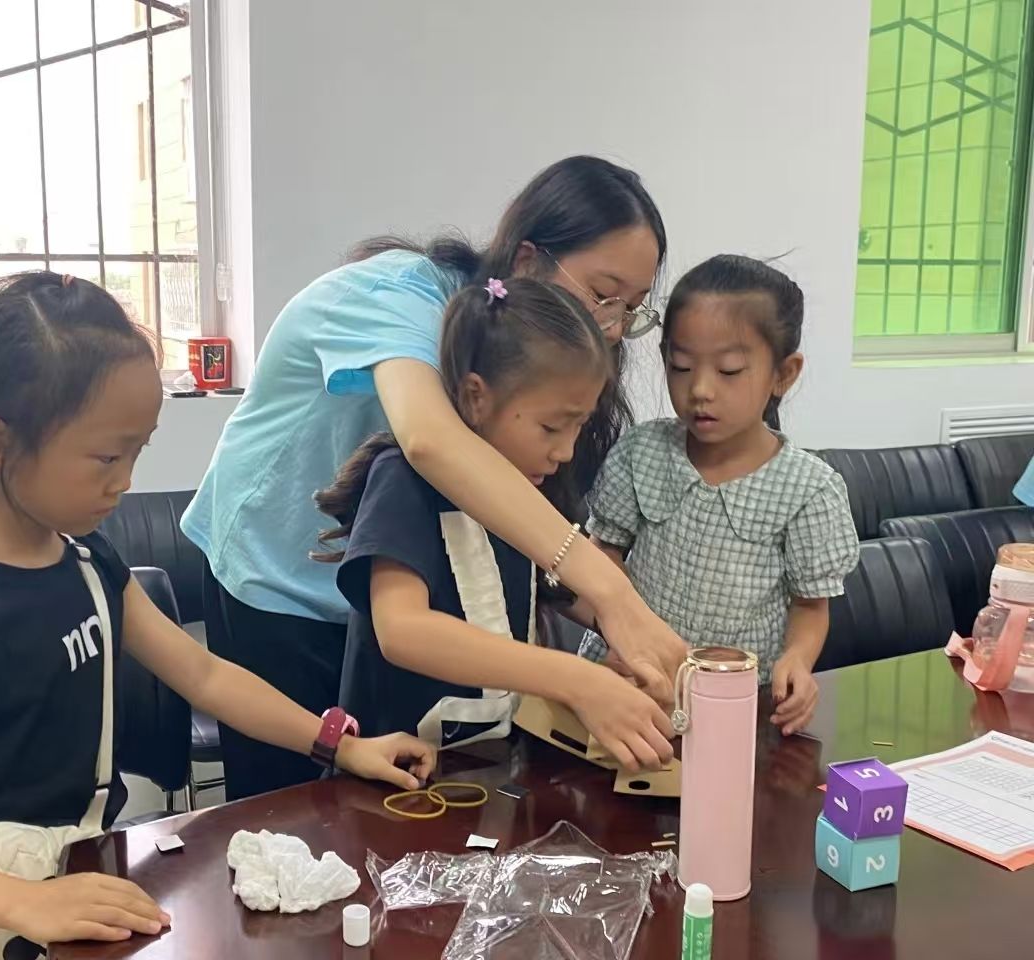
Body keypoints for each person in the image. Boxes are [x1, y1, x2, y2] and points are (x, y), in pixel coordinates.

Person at [0, 273, 435, 959]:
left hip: (86, 867)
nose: (124, 482)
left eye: (136, 452)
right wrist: (26, 904)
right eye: (105, 457)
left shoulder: (87, 557)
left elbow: (205, 675)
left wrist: (340, 745)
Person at [182, 155, 689, 799]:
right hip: (276, 576)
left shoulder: (513, 431)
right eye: (601, 293)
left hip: (392, 637)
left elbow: (527, 569)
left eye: (632, 309)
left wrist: (623, 634)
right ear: (528, 260)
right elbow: (429, 442)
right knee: (291, 806)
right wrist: (607, 609)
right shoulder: (401, 298)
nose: (611, 327)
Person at [315, 277, 675, 769]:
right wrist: (575, 678)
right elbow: (402, 631)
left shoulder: (527, 485)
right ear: (476, 396)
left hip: (491, 771)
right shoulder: (401, 479)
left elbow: (557, 589)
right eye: (552, 426)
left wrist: (635, 653)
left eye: (579, 427)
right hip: (393, 779)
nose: (566, 451)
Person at [578, 255, 860, 736]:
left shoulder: (809, 489)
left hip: (736, 701)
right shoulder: (642, 452)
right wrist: (621, 632)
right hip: (628, 682)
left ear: (784, 374)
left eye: (729, 371)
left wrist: (797, 659)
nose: (700, 389)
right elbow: (603, 554)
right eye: (681, 366)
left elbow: (810, 605)